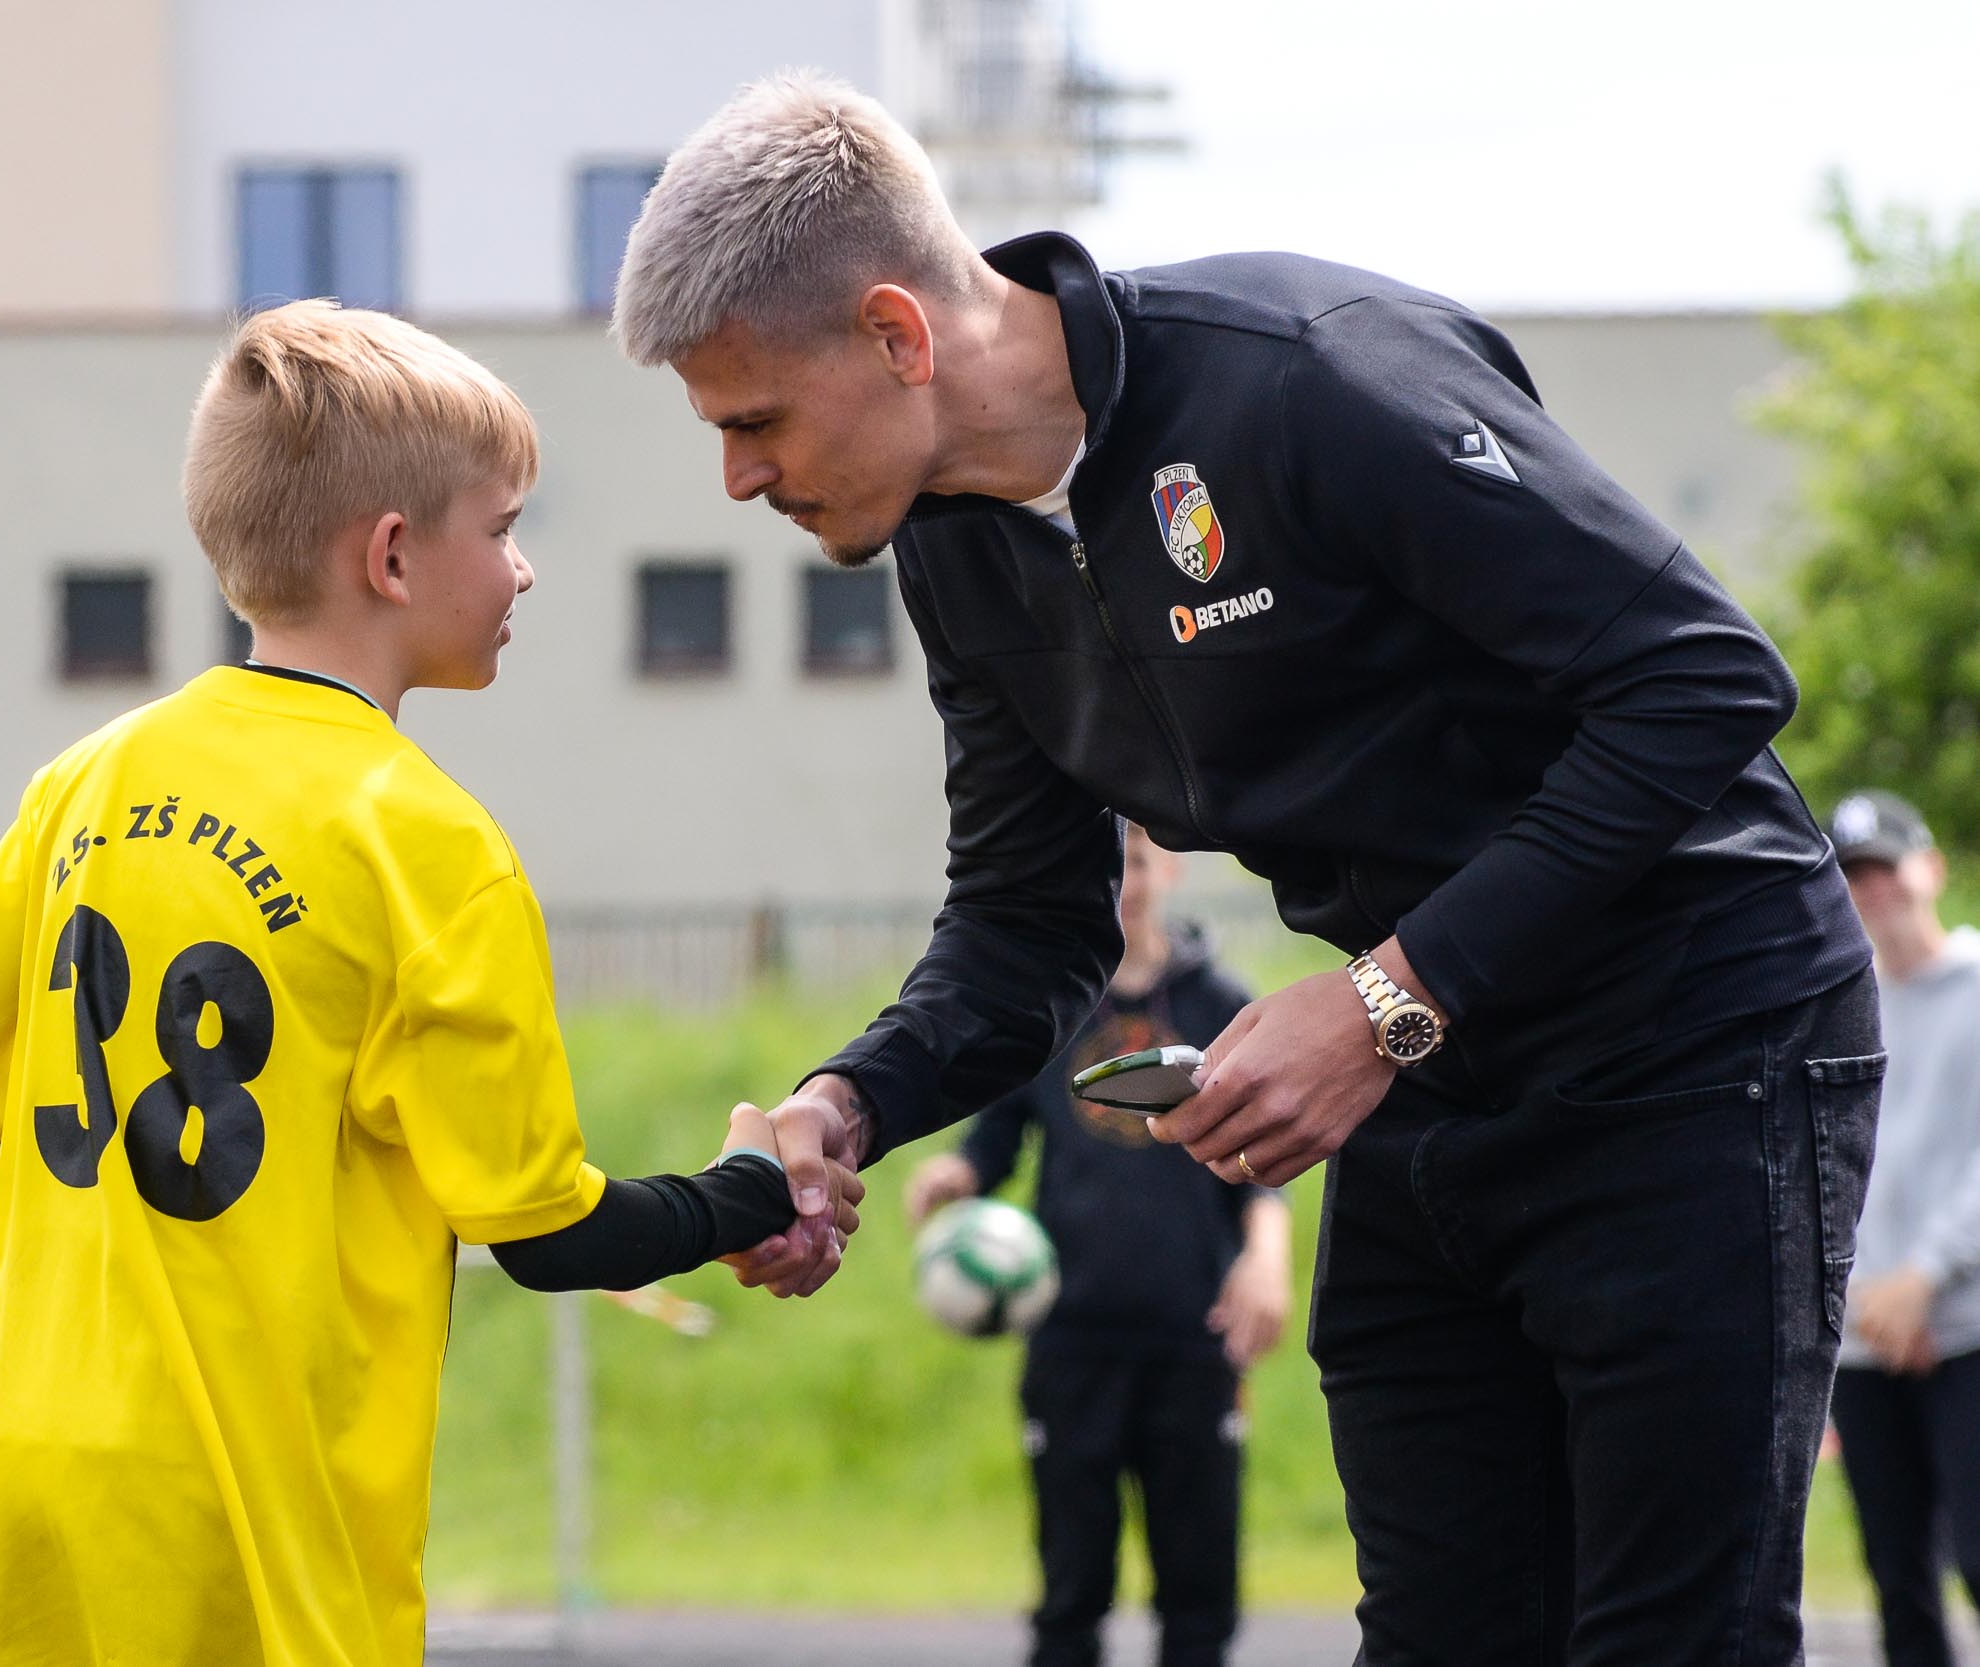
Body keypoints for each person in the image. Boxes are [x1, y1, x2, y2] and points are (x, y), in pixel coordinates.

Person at [613, 73, 1879, 1664]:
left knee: (1665, 1640)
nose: (739, 478)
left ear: (895, 333)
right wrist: (838, 1109)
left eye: (752, 421)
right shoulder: (955, 541)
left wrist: (1384, 1004)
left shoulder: (1312, 382)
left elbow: (1704, 681)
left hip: (1701, 1047)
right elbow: (1028, 919)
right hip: (1429, 1078)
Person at [0, 301, 854, 1667]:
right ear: (392, 554)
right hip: (256, 1492)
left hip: (42, 1447)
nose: (522, 570)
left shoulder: (85, 782)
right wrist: (750, 1188)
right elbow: (548, 1229)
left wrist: (149, 1251)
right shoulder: (426, 841)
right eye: (504, 527)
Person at [905, 824, 1289, 1667]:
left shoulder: (1221, 1004)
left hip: (1196, 1337)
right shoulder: (1052, 1008)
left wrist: (1267, 1258)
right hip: (1071, 1339)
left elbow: (1264, 1161)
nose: (1124, 879)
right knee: (1070, 1593)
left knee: (1199, 1598)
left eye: (1138, 860)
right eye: (1106, 860)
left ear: (1170, 867)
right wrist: (953, 1178)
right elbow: (994, 1142)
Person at [1824, 789, 1980, 1667]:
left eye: (1883, 867)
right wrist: (1869, 1294)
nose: (1871, 890)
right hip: (1868, 1338)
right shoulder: (1841, 1006)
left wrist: (1924, 1277)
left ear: (1931, 867)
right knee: (1897, 1576)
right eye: (1852, 877)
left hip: (1968, 1325)